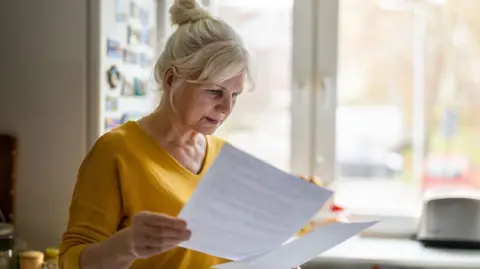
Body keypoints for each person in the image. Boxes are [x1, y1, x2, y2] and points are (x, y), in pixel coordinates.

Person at [59, 1, 308, 268]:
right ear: (170, 80)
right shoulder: (116, 151)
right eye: (214, 91)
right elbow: (71, 260)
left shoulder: (224, 156)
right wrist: (128, 245)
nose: (226, 107)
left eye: (234, 95)